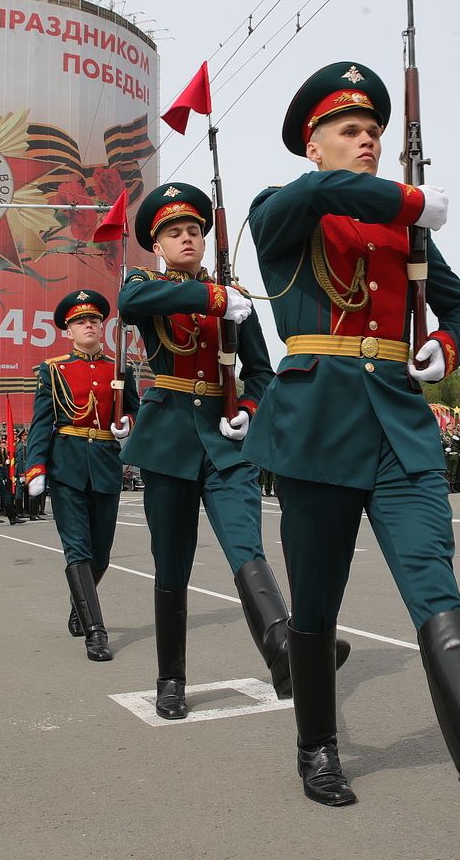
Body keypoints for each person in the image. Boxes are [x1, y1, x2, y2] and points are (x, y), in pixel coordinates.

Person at [244, 61, 460, 831]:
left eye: (375, 133)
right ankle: (317, 746)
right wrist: (412, 201)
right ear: (313, 144)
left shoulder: (404, 228)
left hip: (399, 428)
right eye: (350, 131)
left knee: (435, 584)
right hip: (318, 430)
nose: (367, 142)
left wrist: (446, 344)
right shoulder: (283, 207)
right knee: (317, 606)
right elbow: (330, 197)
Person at [118, 182, 346, 720]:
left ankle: (282, 650)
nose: (187, 239)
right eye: (174, 233)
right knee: (171, 563)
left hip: (225, 443)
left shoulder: (235, 296)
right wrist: (212, 298)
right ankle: (170, 677)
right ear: (158, 244)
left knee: (246, 546)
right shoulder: (146, 283)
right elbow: (130, 305)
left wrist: (247, 404)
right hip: (169, 439)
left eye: (195, 230)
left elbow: (263, 371)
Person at [25, 290, 140, 662]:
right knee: (78, 549)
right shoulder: (53, 369)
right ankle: (96, 631)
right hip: (67, 467)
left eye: (93, 320)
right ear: (68, 332)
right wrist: (36, 467)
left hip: (106, 465)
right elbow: (41, 423)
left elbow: (137, 413)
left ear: (102, 326)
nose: (88, 325)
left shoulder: (120, 369)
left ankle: (80, 607)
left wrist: (129, 426)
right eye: (79, 321)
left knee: (102, 555)